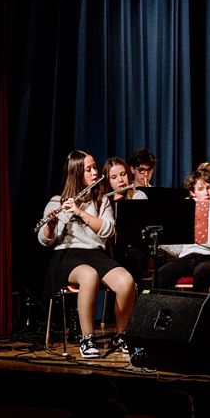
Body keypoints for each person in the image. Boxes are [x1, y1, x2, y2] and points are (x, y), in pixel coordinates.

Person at [38, 150, 137, 358]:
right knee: (89, 275)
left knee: (126, 281)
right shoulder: (58, 201)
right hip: (67, 255)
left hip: (95, 254)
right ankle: (87, 338)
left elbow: (108, 229)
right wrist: (52, 224)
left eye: (94, 167)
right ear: (76, 173)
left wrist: (80, 212)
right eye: (89, 169)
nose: (95, 172)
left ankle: (121, 335)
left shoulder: (101, 201)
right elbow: (46, 240)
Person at [156, 166, 210, 294]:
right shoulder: (185, 212)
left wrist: (193, 229)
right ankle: (168, 312)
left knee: (203, 275)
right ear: (193, 192)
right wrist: (162, 240)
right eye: (201, 189)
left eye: (209, 188)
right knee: (162, 274)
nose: (206, 193)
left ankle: (196, 313)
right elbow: (179, 250)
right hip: (187, 257)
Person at [102, 156, 150, 286]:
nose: (121, 180)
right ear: (107, 181)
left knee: (131, 258)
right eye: (114, 177)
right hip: (111, 250)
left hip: (135, 249)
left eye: (123, 174)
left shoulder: (138, 195)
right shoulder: (104, 201)